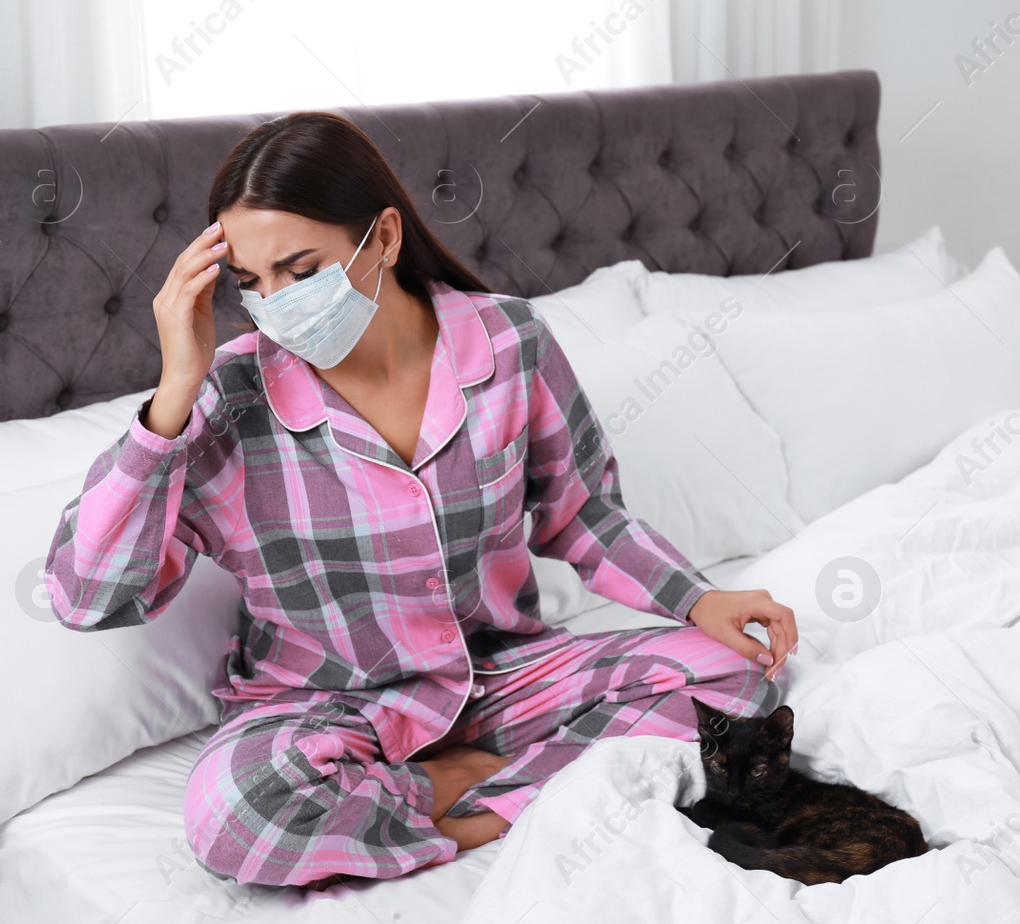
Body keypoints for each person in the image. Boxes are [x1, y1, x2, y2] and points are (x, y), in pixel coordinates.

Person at [44, 111, 797, 889]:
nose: (275, 303)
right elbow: (85, 595)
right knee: (234, 811)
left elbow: (581, 512)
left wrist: (698, 599)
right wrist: (173, 392)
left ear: (386, 239)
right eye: (250, 282)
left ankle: (478, 805)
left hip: (500, 677)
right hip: (325, 709)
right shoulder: (226, 398)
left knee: (738, 678)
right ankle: (472, 797)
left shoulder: (508, 341)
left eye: (301, 272)